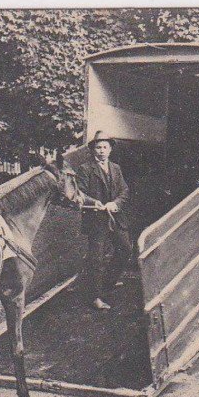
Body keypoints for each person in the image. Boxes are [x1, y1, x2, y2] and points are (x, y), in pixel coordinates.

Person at [76, 131, 133, 310]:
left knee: (125, 249)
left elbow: (124, 191)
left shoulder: (116, 168)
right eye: (98, 147)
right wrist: (95, 203)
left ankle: (108, 282)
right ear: (93, 150)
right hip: (96, 220)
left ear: (110, 150)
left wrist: (115, 204)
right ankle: (95, 297)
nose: (101, 150)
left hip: (115, 218)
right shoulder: (85, 169)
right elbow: (79, 193)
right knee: (96, 259)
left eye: (105, 147)